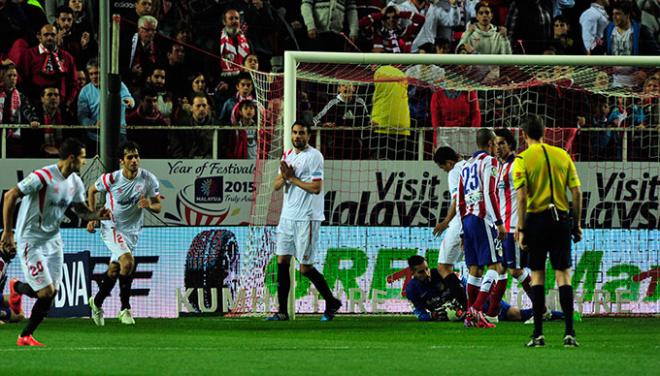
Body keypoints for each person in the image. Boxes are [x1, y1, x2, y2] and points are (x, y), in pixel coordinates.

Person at [1, 138, 110, 346]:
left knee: (50, 294)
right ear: (71, 158)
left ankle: (18, 295)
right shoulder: (43, 176)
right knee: (46, 291)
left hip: (53, 241)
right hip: (30, 241)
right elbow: (10, 195)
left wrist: (97, 214)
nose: (84, 162)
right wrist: (8, 232)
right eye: (82, 157)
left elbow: (80, 211)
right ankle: (23, 331)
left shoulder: (75, 182)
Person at [513, 114, 582, 348]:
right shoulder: (562, 155)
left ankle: (538, 334)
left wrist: (521, 228)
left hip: (536, 221)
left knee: (537, 275)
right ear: (544, 131)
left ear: (523, 134)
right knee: (564, 275)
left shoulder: (522, 159)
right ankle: (569, 333)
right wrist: (577, 224)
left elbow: (521, 198)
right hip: (561, 220)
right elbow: (577, 192)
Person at [268, 122, 342, 321]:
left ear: (308, 135)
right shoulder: (288, 155)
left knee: (305, 268)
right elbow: (275, 185)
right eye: (294, 132)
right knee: (282, 261)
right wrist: (285, 177)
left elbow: (316, 188)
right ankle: (282, 311)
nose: (297, 136)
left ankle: (332, 301)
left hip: (307, 217)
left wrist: (292, 178)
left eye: (301, 133)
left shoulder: (314, 156)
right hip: (287, 217)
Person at [87, 140, 161, 326]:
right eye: (130, 157)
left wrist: (149, 205)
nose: (134, 160)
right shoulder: (112, 179)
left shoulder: (148, 179)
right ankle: (125, 309)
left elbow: (158, 206)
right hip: (111, 226)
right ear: (122, 161)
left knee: (114, 270)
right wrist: (93, 216)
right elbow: (91, 190)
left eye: (136, 156)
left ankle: (96, 303)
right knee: (128, 262)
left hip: (132, 231)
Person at [457, 128, 506, 328]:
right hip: (482, 218)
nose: (497, 148)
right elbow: (489, 192)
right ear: (490, 144)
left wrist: (462, 230)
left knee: (475, 269)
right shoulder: (490, 161)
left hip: (467, 219)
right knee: (495, 265)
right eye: (495, 144)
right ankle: (475, 310)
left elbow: (460, 200)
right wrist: (499, 222)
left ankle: (471, 313)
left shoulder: (465, 166)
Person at [488, 128, 535, 322]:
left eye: (502, 143)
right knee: (500, 269)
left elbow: (527, 194)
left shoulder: (517, 164)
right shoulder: (498, 167)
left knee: (515, 270)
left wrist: (523, 226)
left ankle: (540, 309)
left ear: (511, 145)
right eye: (495, 143)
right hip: (501, 228)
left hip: (514, 226)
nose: (498, 147)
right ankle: (491, 314)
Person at [431, 146, 467, 310]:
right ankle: (468, 303)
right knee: (473, 267)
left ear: (449, 162)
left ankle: (466, 306)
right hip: (475, 222)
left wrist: (445, 222)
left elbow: (457, 200)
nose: (444, 170)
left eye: (442, 167)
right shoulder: (468, 166)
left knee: (443, 267)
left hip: (459, 223)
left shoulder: (454, 172)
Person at [405, 255, 464, 321]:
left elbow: (464, 282)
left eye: (427, 269)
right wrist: (432, 316)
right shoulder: (411, 290)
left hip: (462, 307)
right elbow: (420, 314)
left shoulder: (442, 273)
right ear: (412, 273)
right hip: (443, 316)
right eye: (421, 272)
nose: (427, 274)